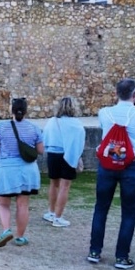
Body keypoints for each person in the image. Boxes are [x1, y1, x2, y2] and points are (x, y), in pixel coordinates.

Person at [88, 78, 135, 269]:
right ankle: (121, 257)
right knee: (128, 212)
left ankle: (94, 251)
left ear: (116, 93)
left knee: (101, 208)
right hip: (131, 165)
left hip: (108, 164)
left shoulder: (104, 113)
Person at [0, 97, 44, 247]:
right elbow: (40, 150)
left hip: (7, 168)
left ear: (11, 110)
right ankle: (20, 237)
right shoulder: (34, 128)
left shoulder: (2, 127)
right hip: (28, 169)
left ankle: (6, 230)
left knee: (3, 202)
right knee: (23, 204)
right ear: (26, 111)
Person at [42, 97, 86, 227]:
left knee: (54, 184)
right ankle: (58, 217)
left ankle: (51, 212)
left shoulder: (52, 121)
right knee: (64, 186)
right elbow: (78, 142)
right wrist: (77, 157)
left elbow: (45, 137)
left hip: (53, 154)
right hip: (67, 155)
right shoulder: (76, 124)